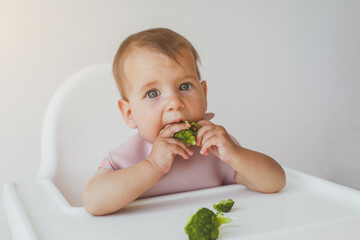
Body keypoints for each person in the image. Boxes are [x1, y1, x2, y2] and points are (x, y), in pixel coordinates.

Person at [83, 28, 286, 216]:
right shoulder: (126, 159)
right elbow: (93, 202)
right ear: (129, 114)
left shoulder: (216, 150)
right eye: (153, 93)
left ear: (204, 94)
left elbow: (276, 182)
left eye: (184, 86)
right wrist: (152, 165)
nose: (175, 103)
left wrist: (236, 155)